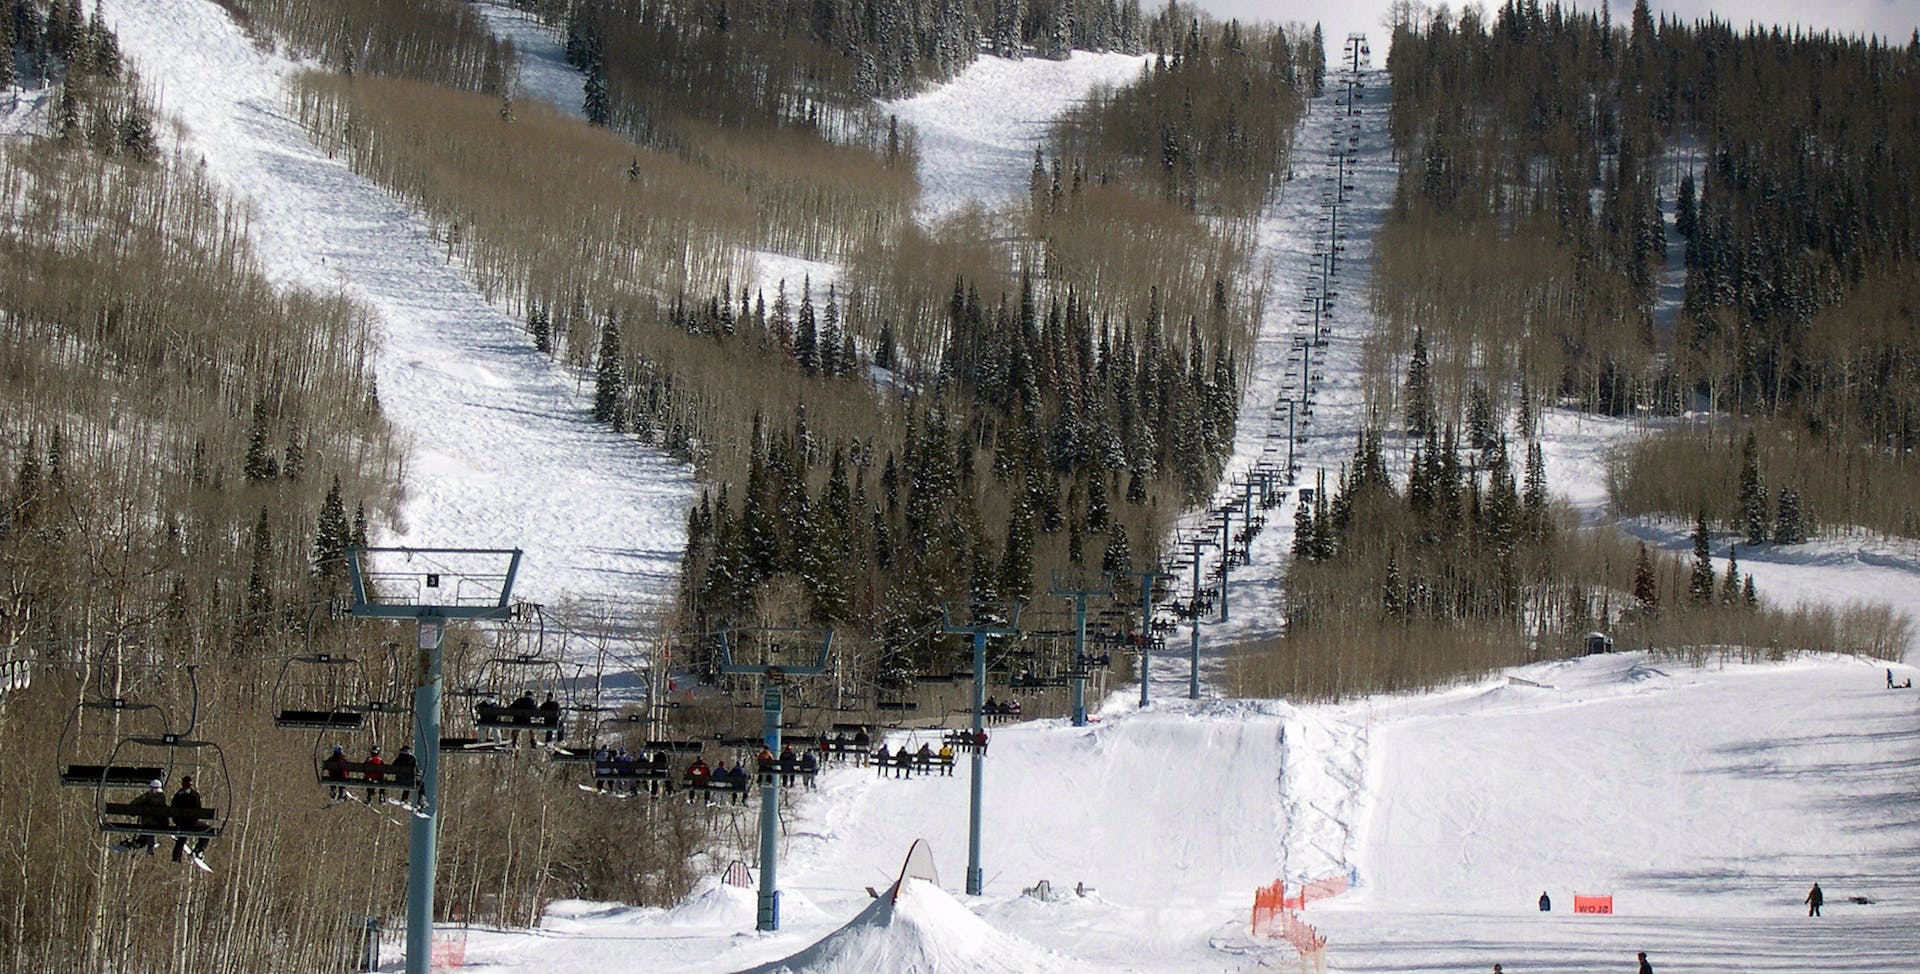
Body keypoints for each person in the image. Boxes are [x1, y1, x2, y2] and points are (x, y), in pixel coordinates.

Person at [118, 779, 171, 854]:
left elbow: (134, 804)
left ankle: (137, 844)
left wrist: (132, 812)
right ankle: (144, 845)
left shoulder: (147, 796)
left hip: (147, 823)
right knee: (146, 835)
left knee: (146, 833)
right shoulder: (162, 798)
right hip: (159, 823)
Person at [170, 775, 211, 864]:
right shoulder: (194, 795)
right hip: (191, 822)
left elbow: (172, 809)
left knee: (182, 836)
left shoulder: (177, 795)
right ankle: (198, 850)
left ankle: (176, 857)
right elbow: (198, 810)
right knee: (208, 830)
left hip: (180, 823)